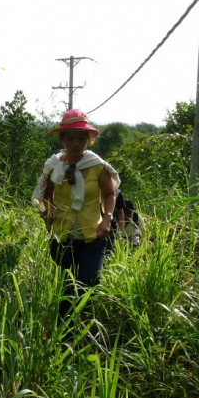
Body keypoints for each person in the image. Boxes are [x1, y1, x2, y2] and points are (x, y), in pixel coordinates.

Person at [32, 109, 120, 321]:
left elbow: (109, 194)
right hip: (63, 237)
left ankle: (85, 325)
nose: (75, 143)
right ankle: (64, 334)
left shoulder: (98, 166)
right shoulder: (54, 166)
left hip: (93, 235)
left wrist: (107, 219)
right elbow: (45, 196)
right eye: (70, 137)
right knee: (66, 287)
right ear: (62, 138)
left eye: (81, 138)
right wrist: (48, 210)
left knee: (89, 281)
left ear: (89, 140)